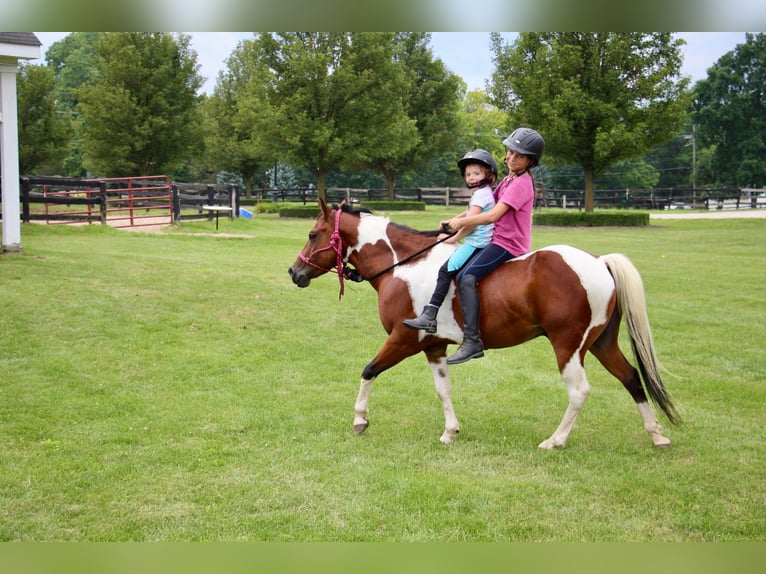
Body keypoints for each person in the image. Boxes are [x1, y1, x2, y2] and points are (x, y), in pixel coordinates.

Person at [440, 127, 545, 365]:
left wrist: (459, 223)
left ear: (530, 161)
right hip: (496, 239)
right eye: (510, 152)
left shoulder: (521, 184)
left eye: (520, 156)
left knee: (467, 277)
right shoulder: (508, 180)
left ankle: (472, 340)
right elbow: (484, 207)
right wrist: (454, 220)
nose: (512, 158)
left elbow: (492, 216)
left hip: (509, 244)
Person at [403, 149, 498, 334]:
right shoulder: (484, 192)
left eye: (476, 173)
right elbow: (469, 213)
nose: (471, 177)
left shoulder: (480, 195)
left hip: (476, 243)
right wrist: (451, 221)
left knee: (445, 271)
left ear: (488, 174)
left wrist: (452, 239)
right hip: (480, 241)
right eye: (468, 174)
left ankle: (430, 315)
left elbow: (470, 225)